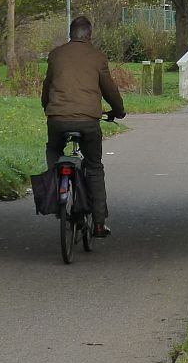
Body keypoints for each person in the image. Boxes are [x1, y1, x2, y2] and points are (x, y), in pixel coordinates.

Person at [41, 15, 125, 238]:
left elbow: (47, 86)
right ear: (89, 35)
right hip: (88, 121)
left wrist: (48, 109)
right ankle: (98, 224)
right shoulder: (97, 57)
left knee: (53, 150)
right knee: (94, 166)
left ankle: (57, 189)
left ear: (71, 34)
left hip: (57, 118)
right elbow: (110, 90)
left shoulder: (56, 54)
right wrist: (118, 111)